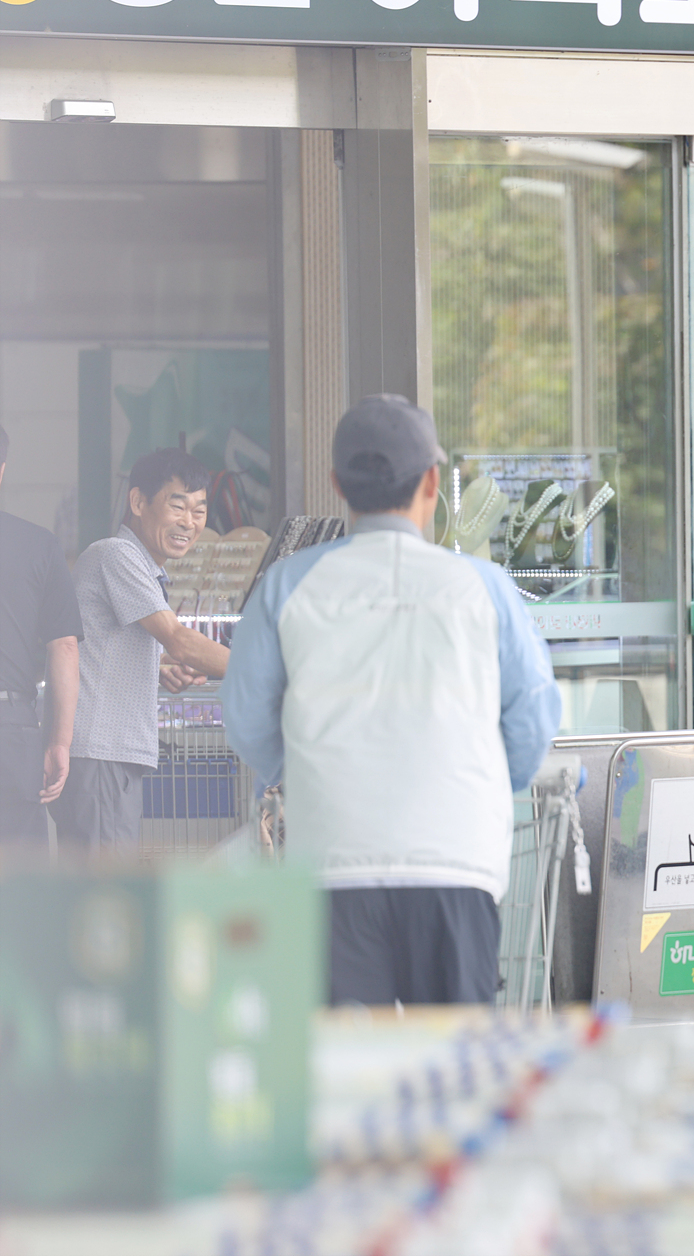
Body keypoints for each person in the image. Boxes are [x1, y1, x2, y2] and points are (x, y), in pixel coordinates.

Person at [223, 395, 561, 1005]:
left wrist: (301, 773)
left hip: (331, 859)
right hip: (456, 861)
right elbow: (534, 721)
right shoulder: (483, 589)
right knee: (453, 1075)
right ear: (432, 482)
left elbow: (246, 718)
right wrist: (479, 783)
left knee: (345, 1075)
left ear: (336, 485)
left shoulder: (287, 586)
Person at [53, 449, 231, 850]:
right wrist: (269, 671)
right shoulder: (118, 553)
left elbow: (104, 645)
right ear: (138, 502)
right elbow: (180, 639)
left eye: (200, 510)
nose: (190, 521)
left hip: (106, 755)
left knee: (96, 891)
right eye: (178, 505)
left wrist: (159, 665)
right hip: (102, 753)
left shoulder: (136, 563)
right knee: (105, 892)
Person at [0, 424, 82, 847]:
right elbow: (64, 647)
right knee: (18, 888)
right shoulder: (39, 545)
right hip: (12, 732)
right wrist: (58, 743)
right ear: (3, 466)